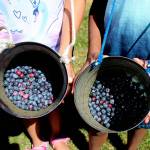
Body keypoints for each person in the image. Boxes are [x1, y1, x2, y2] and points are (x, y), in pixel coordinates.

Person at [0, 0, 86, 150]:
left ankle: (56, 133)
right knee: (22, 98)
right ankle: (38, 140)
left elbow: (75, 2)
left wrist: (65, 54)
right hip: (13, 50)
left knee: (54, 91)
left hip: (53, 48)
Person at [75, 0, 150, 150]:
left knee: (142, 118)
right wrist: (93, 54)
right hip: (109, 61)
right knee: (99, 118)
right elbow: (97, 10)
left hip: (147, 65)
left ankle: (132, 148)